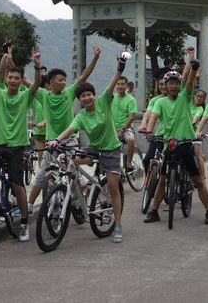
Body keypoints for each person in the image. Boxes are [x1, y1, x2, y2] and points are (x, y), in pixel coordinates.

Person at [48, 54, 127, 243]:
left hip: (111, 149)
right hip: (94, 148)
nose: (87, 98)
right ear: (79, 100)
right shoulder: (82, 115)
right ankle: (75, 191)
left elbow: (112, 82)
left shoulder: (104, 101)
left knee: (114, 187)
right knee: (71, 163)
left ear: (93, 95)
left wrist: (120, 68)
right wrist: (56, 140)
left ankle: (118, 225)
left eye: (89, 94)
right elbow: (70, 129)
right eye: (83, 96)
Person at [24, 43, 102, 215]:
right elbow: (30, 82)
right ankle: (29, 205)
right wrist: (33, 65)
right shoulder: (43, 95)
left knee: (71, 172)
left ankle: (76, 195)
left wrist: (95, 58)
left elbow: (83, 76)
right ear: (50, 83)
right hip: (52, 142)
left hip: (69, 140)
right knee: (42, 174)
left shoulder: (68, 93)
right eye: (60, 80)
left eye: (65, 80)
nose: (64, 82)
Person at [143, 63, 208, 225]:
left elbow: (189, 83)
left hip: (185, 144)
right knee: (162, 179)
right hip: (170, 144)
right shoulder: (160, 103)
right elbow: (153, 117)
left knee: (197, 180)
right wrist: (149, 131)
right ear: (165, 86)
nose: (174, 86)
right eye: (170, 83)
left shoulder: (184, 97)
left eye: (176, 83)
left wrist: (194, 69)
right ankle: (154, 211)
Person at [0, 45, 41, 242]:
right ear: (6, 79)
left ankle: (24, 224)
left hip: (17, 146)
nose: (13, 80)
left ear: (20, 81)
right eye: (10, 77)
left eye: (17, 78)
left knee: (18, 186)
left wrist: (36, 66)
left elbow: (35, 86)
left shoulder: (24, 96)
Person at [112, 75, 138, 171]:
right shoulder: (111, 97)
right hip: (112, 128)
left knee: (130, 139)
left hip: (126, 128)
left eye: (122, 84)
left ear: (126, 86)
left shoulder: (131, 100)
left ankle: (129, 163)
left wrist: (122, 130)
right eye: (118, 84)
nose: (120, 86)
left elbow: (131, 117)